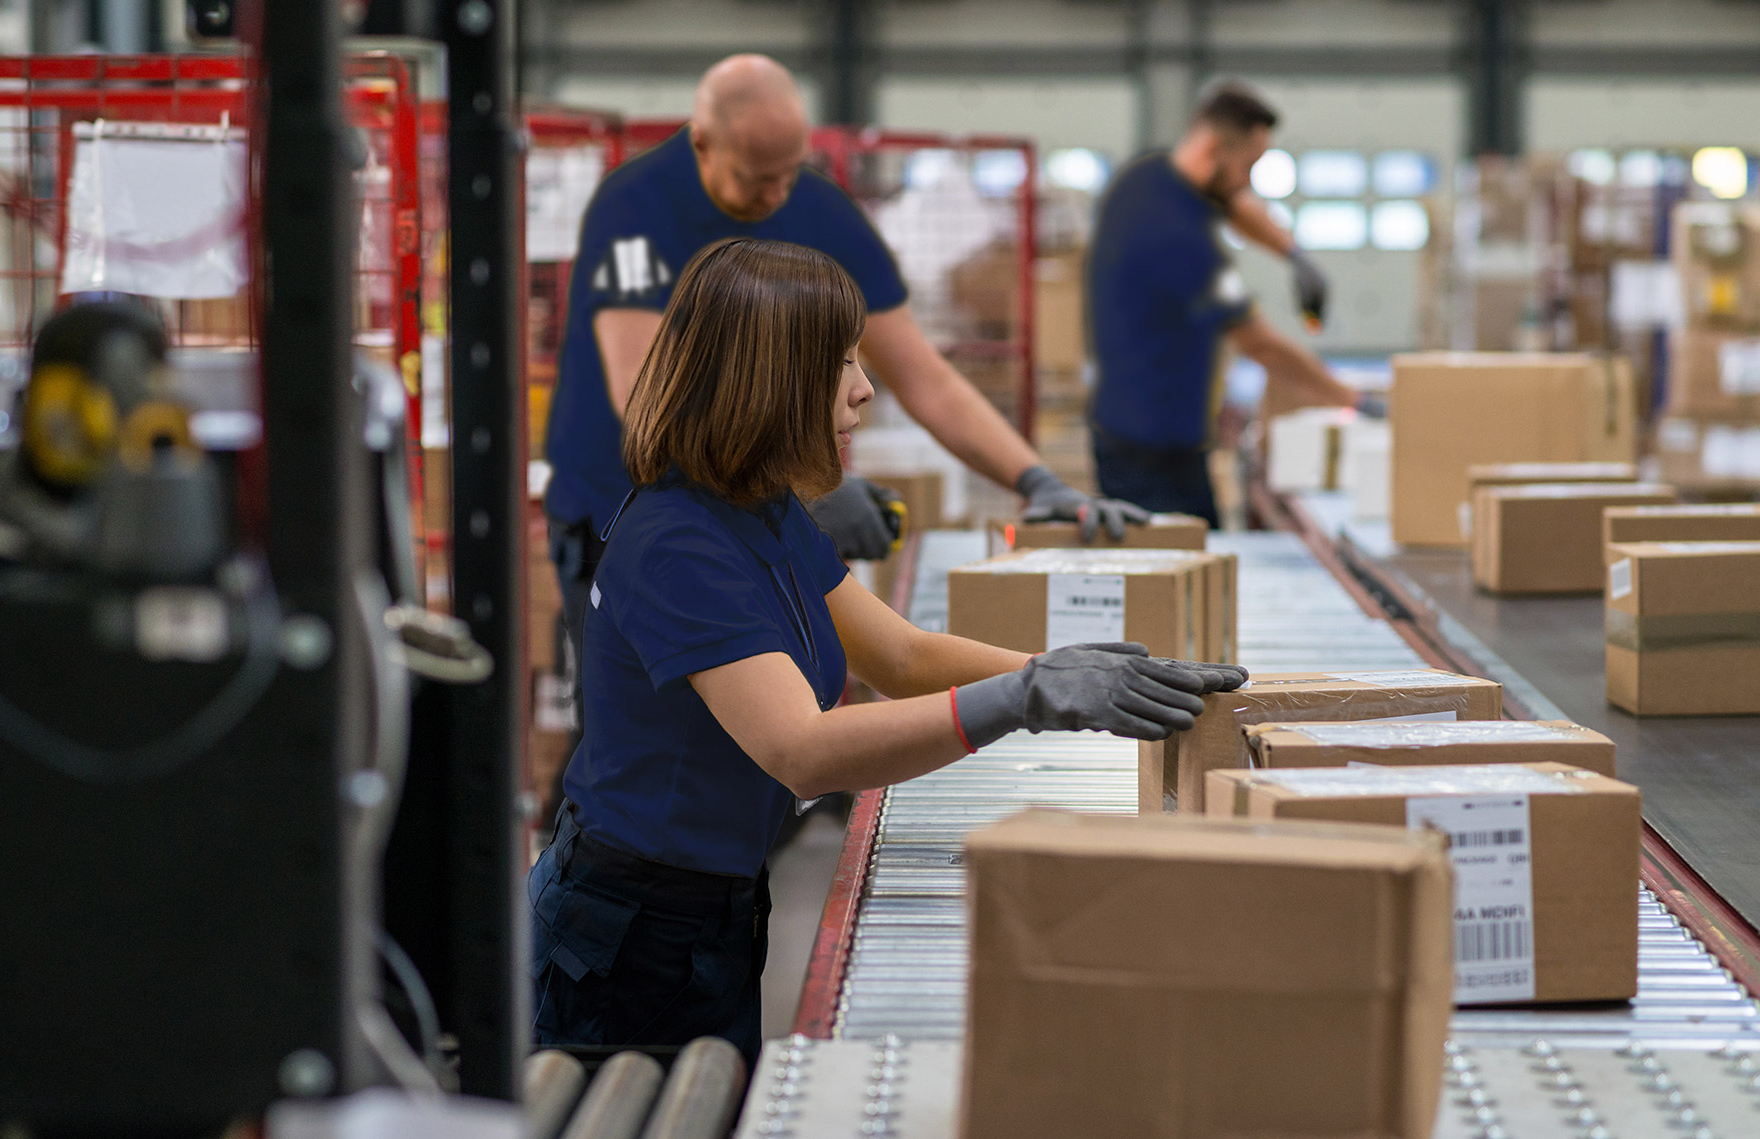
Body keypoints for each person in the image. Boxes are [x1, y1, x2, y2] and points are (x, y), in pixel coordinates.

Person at [529, 237, 1246, 1063]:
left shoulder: (758, 508)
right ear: (770, 380)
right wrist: (1024, 701)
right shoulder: (678, 543)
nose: (865, 389)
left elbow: (896, 654)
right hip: (624, 936)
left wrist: (1069, 671)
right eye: (839, 364)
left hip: (709, 907)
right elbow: (801, 750)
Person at [540, 55, 1147, 809]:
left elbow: (900, 649)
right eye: (757, 177)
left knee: (736, 746)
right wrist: (1019, 697)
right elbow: (643, 386)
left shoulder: (818, 213)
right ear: (702, 143)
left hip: (748, 495)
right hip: (622, 499)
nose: (777, 195)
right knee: (652, 737)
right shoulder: (635, 208)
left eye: (790, 173)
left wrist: (1036, 485)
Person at [1087, 80, 1378, 527]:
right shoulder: (1187, 245)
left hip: (1144, 435)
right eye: (1249, 164)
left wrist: (1293, 254)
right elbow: (1262, 346)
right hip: (1149, 454)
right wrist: (1353, 401)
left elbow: (1237, 205)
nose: (1249, 182)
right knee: (1182, 574)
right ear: (1213, 148)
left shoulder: (1146, 178)